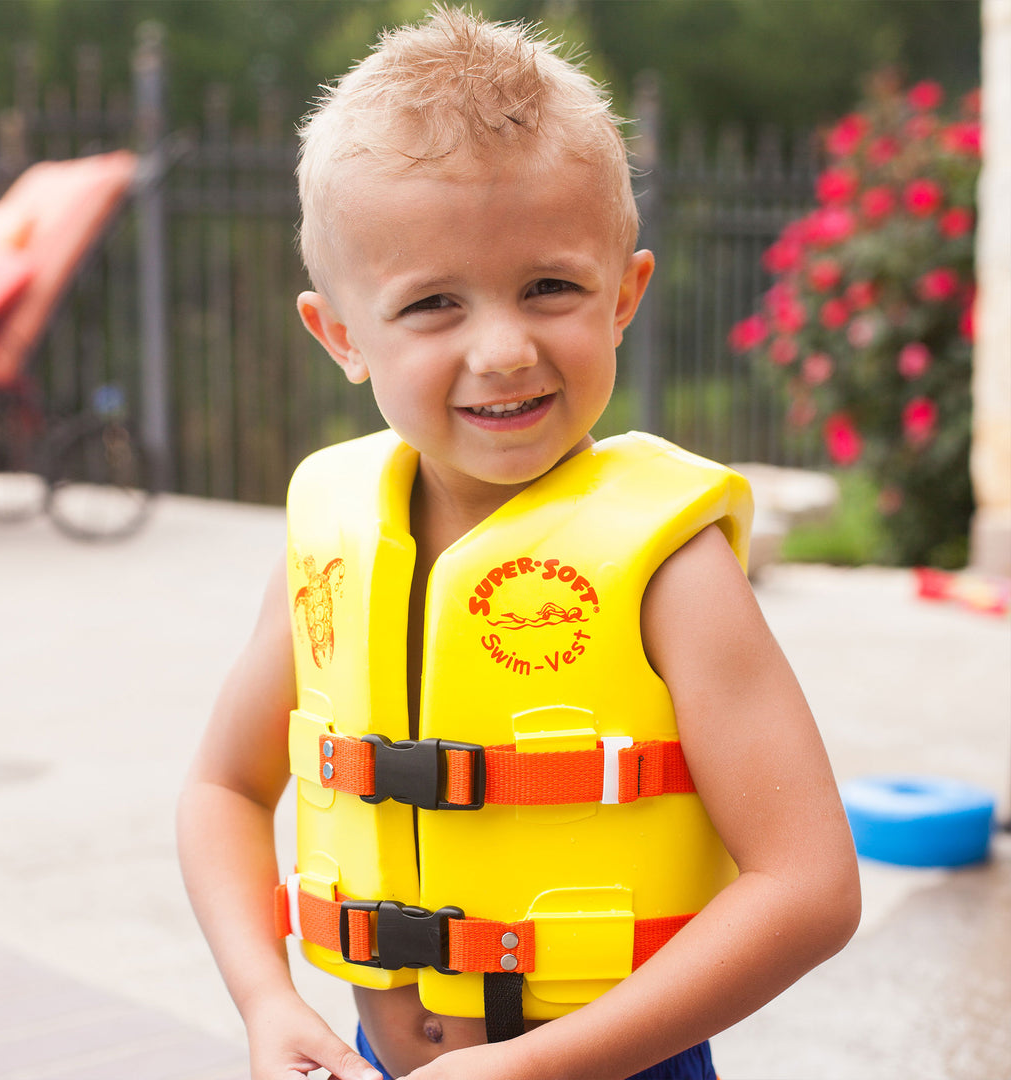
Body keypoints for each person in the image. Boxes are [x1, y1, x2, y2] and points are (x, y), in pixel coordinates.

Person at [176, 8, 861, 1080]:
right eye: (432, 304)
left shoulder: (672, 569)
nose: (503, 349)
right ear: (342, 335)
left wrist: (531, 1067)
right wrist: (266, 999)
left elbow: (811, 888)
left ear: (624, 295)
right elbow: (222, 789)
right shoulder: (333, 541)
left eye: (550, 287)